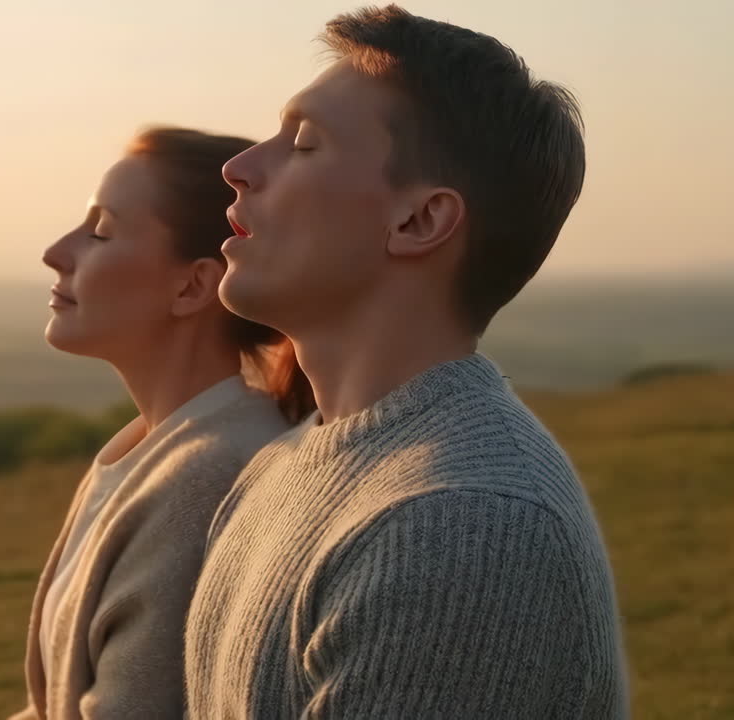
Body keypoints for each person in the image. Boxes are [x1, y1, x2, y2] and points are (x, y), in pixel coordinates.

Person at [184, 6, 629, 718]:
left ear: (419, 221)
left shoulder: (464, 527)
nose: (238, 169)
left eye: (302, 143)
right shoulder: (283, 467)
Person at [8, 127, 312, 720]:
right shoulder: (156, 448)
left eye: (100, 231)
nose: (56, 251)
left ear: (193, 284)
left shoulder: (211, 478)